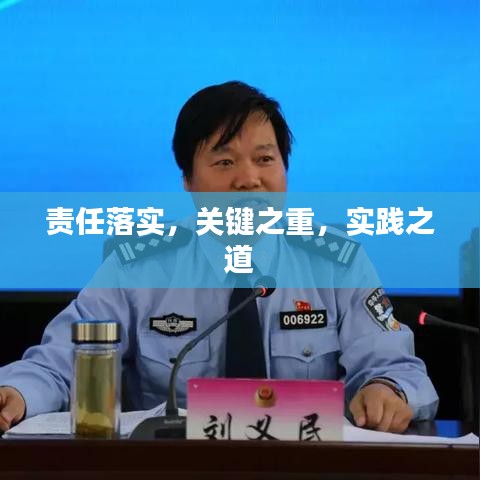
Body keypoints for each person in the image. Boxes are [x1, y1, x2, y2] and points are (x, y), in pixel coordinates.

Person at [0, 81, 438, 434]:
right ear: (188, 180)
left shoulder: (336, 262)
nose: (249, 180)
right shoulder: (137, 266)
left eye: (264, 159)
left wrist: (388, 390)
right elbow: (58, 365)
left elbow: (394, 366)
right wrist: (16, 394)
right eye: (225, 162)